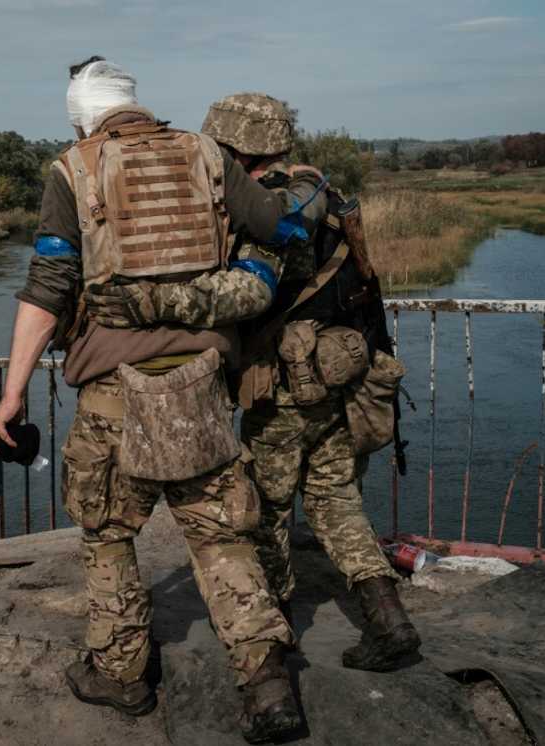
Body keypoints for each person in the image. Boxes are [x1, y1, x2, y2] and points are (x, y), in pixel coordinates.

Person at [0, 59, 328, 743]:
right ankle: (266, 682)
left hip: (116, 390)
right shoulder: (204, 152)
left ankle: (122, 675)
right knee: (220, 534)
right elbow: (275, 226)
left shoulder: (73, 168)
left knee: (108, 534)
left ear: (83, 113)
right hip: (200, 382)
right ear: (136, 105)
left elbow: (49, 288)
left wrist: (11, 394)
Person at [86, 92, 422, 673]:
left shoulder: (266, 210)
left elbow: (249, 293)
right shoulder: (324, 194)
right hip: (344, 374)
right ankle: (389, 620)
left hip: (287, 384)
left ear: (235, 150)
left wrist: (146, 302)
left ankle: (274, 635)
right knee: (335, 496)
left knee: (262, 509)